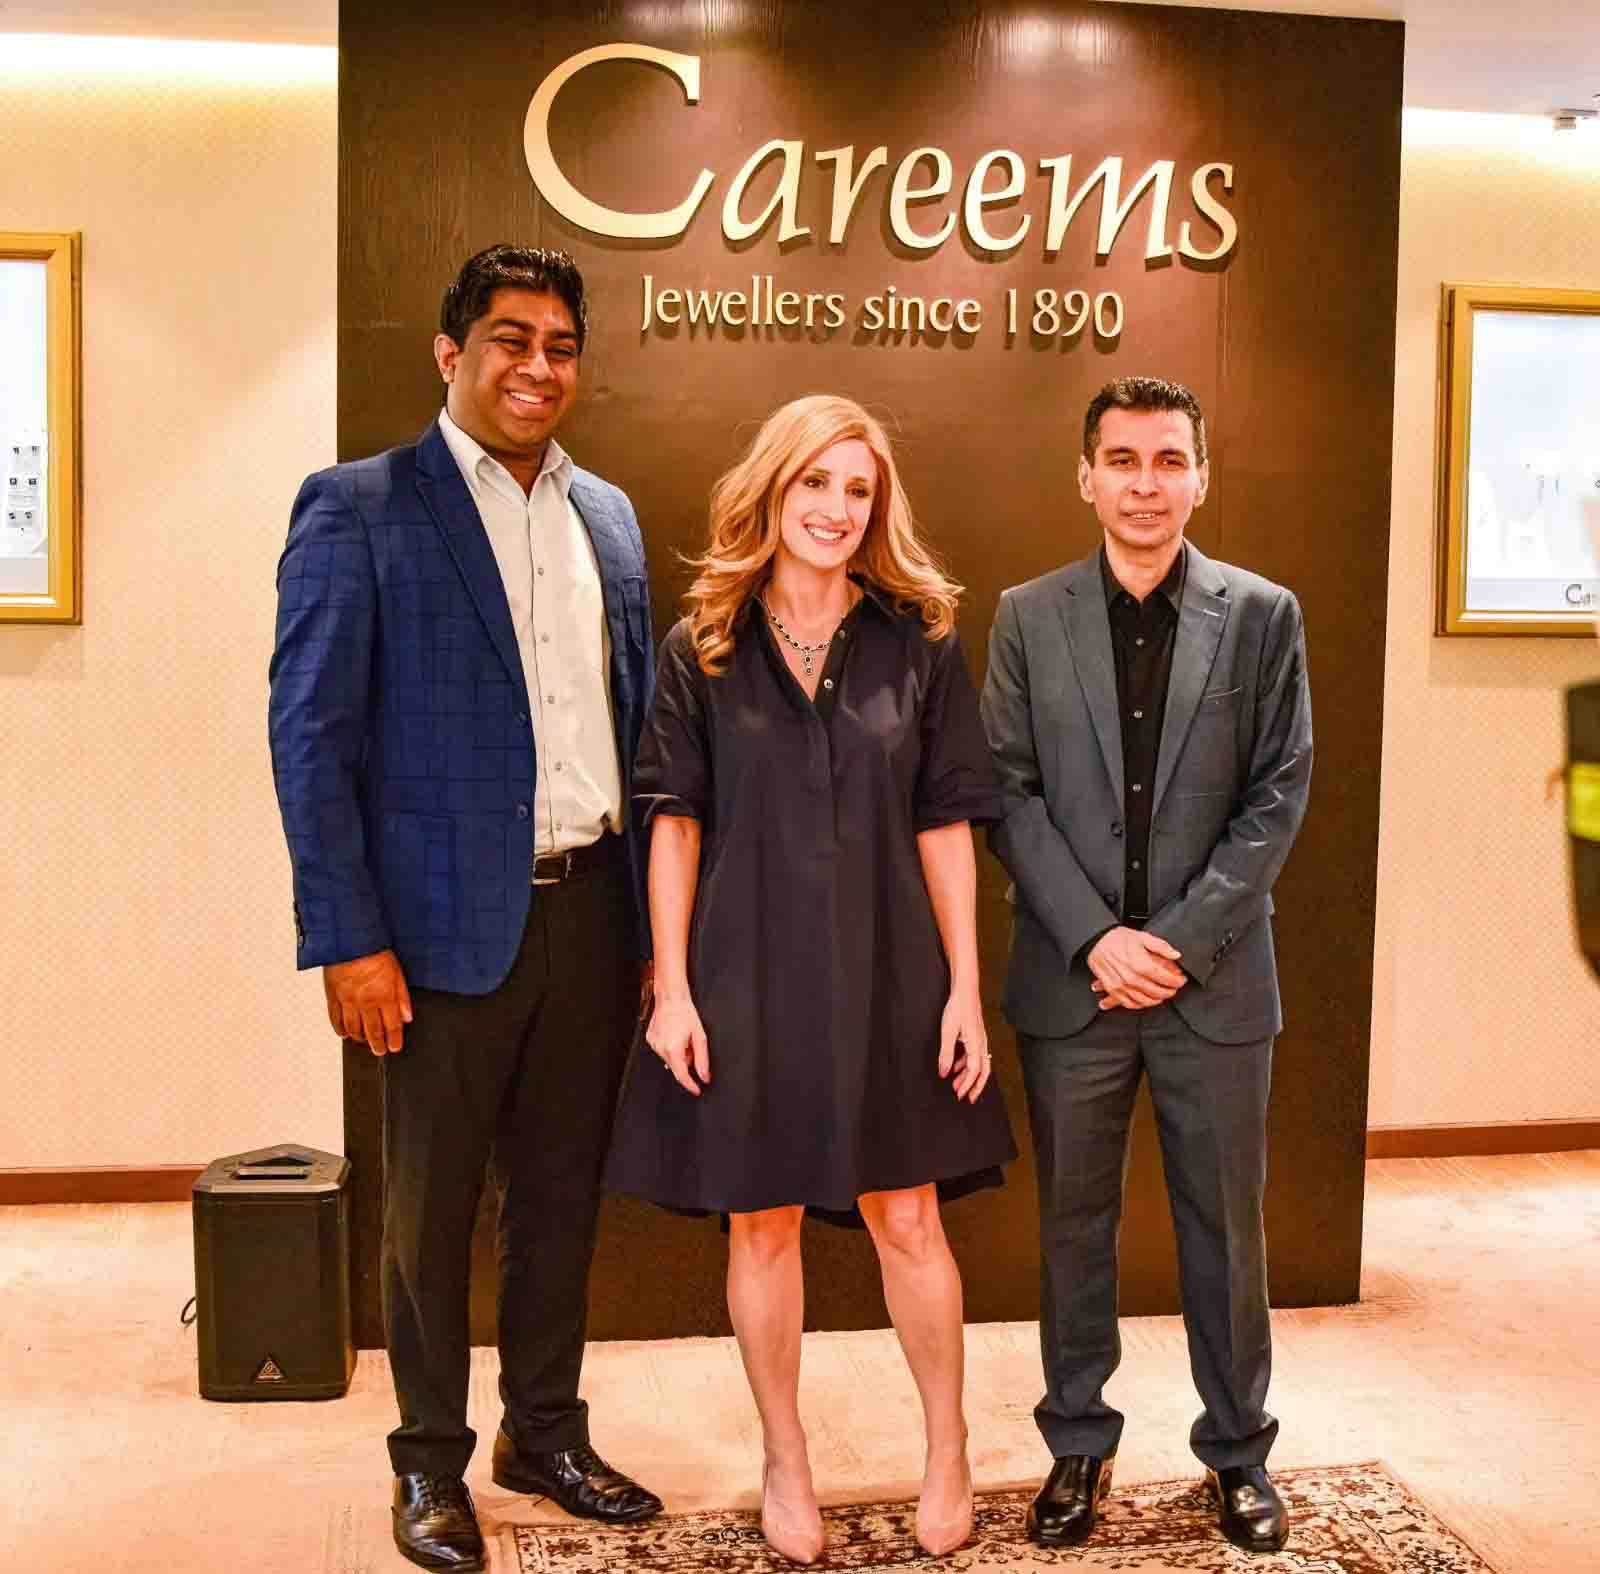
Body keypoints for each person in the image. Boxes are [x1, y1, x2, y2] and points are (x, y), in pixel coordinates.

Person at [268, 245, 662, 1573]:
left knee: (560, 1196)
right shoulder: (360, 506)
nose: (537, 366)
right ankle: (429, 1457)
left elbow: (633, 718)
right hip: (432, 935)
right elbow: (310, 736)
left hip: (593, 910)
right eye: (510, 338)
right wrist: (348, 936)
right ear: (452, 353)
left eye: (560, 344)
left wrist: (655, 930)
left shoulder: (608, 516)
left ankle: (542, 1431)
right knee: (428, 1210)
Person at [605, 394, 1016, 1564]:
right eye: (815, 482)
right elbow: (673, 821)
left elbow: (947, 822)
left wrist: (962, 987)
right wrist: (672, 988)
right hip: (745, 971)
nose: (835, 507)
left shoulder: (919, 641)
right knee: (762, 1221)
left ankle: (947, 1445)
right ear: (773, 490)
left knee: (908, 1214)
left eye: (857, 488)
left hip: (892, 967)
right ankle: (785, 1457)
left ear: (877, 508)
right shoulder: (703, 645)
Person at [980, 376, 1313, 1556]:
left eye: (1168, 459)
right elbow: (1006, 791)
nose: (1144, 483)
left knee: (1225, 1229)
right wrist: (1096, 938)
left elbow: (1277, 793)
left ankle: (1237, 1451)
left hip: (1210, 984)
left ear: (1199, 476)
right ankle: (1078, 1442)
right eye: (1121, 459)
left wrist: (1171, 941)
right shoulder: (1026, 616)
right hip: (1073, 984)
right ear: (1086, 475)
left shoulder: (1261, 615)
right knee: (1073, 1226)